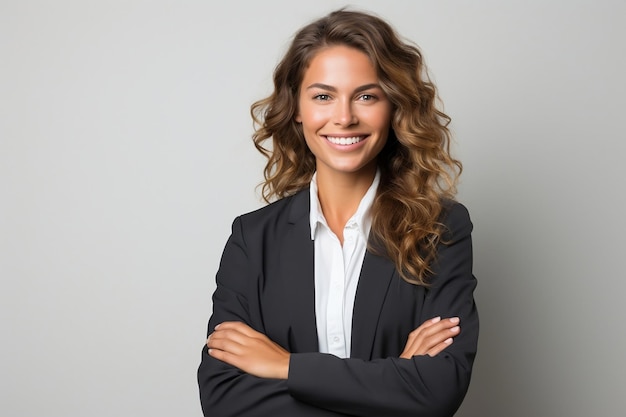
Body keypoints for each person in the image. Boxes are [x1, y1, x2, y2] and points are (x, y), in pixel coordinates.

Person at [197, 7, 478, 417]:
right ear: (296, 107)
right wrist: (395, 380)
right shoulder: (252, 239)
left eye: (366, 96)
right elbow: (224, 401)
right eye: (323, 96)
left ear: (393, 106)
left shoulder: (440, 229)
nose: (344, 118)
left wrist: (285, 366)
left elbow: (437, 392)